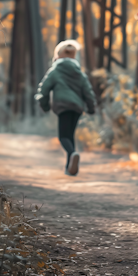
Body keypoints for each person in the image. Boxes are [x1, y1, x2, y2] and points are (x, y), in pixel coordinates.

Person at [35, 40, 96, 176]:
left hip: (63, 106)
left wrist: (45, 106)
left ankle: (72, 154)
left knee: (63, 136)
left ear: (58, 55)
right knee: (70, 136)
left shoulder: (55, 71)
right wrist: (91, 108)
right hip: (77, 108)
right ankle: (69, 168)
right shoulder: (79, 72)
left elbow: (43, 89)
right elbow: (88, 91)